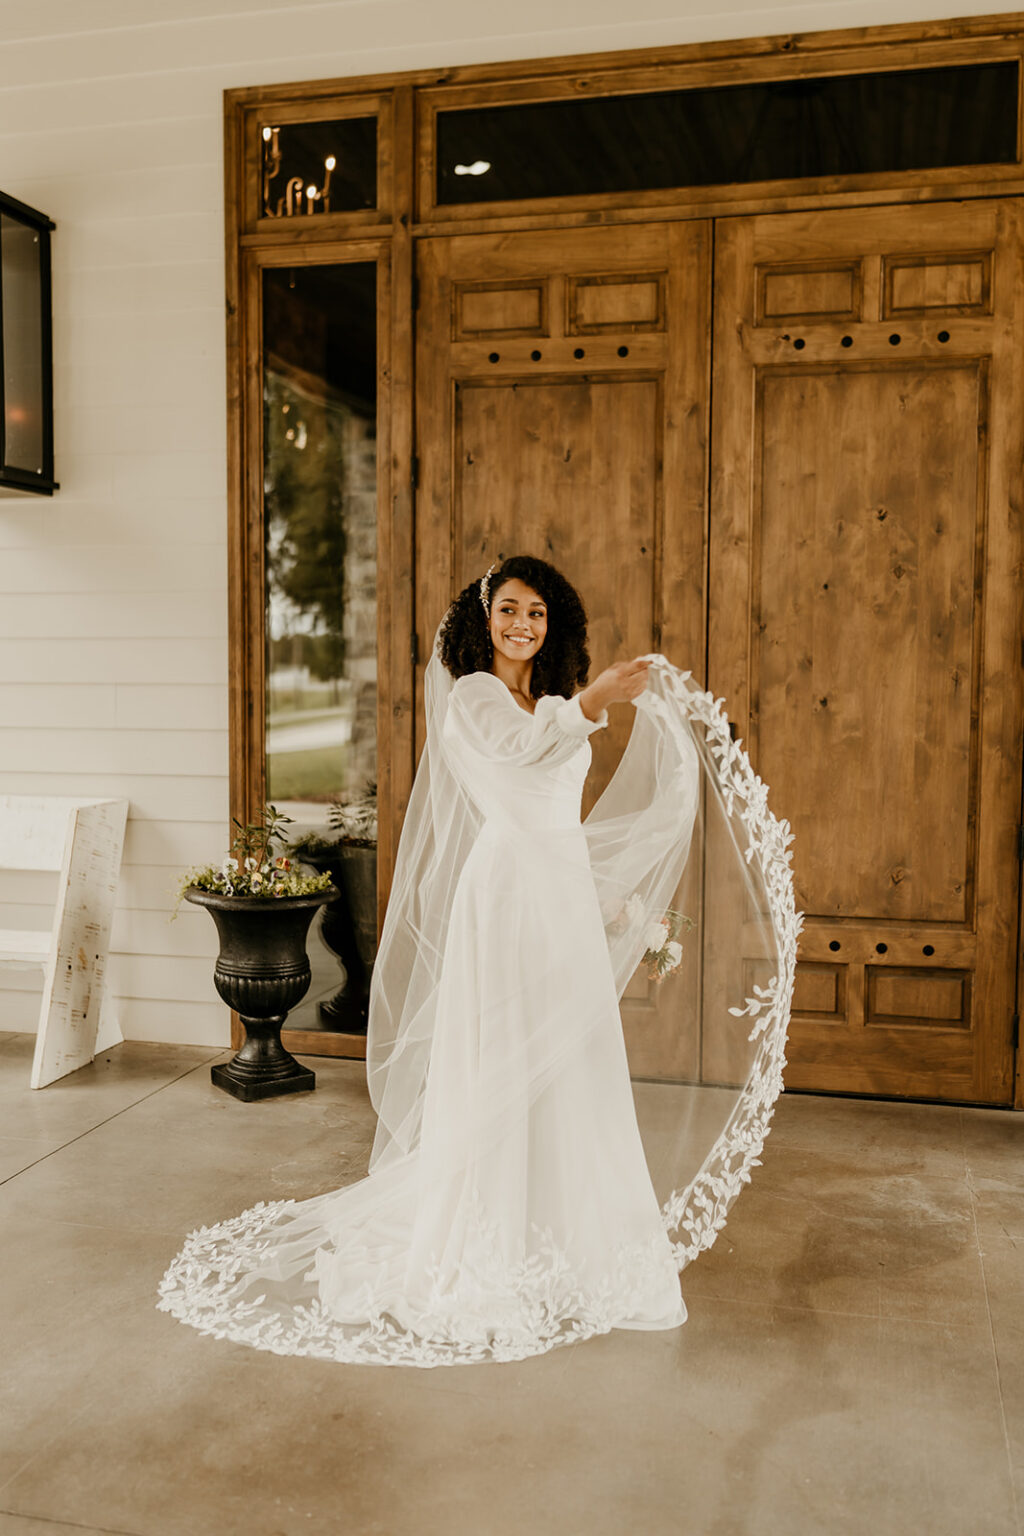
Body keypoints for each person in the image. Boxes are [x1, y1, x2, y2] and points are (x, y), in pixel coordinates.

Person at [158, 554, 795, 1367]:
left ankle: (569, 1235)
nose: (522, 625)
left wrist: (611, 898)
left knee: (569, 1060)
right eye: (509, 611)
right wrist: (598, 703)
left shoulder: (550, 699)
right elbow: (525, 756)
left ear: (552, 622)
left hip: (557, 890)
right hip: (508, 900)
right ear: (483, 618)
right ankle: (489, 1241)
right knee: (503, 1053)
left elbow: (557, 806)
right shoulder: (474, 696)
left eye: (537, 613)